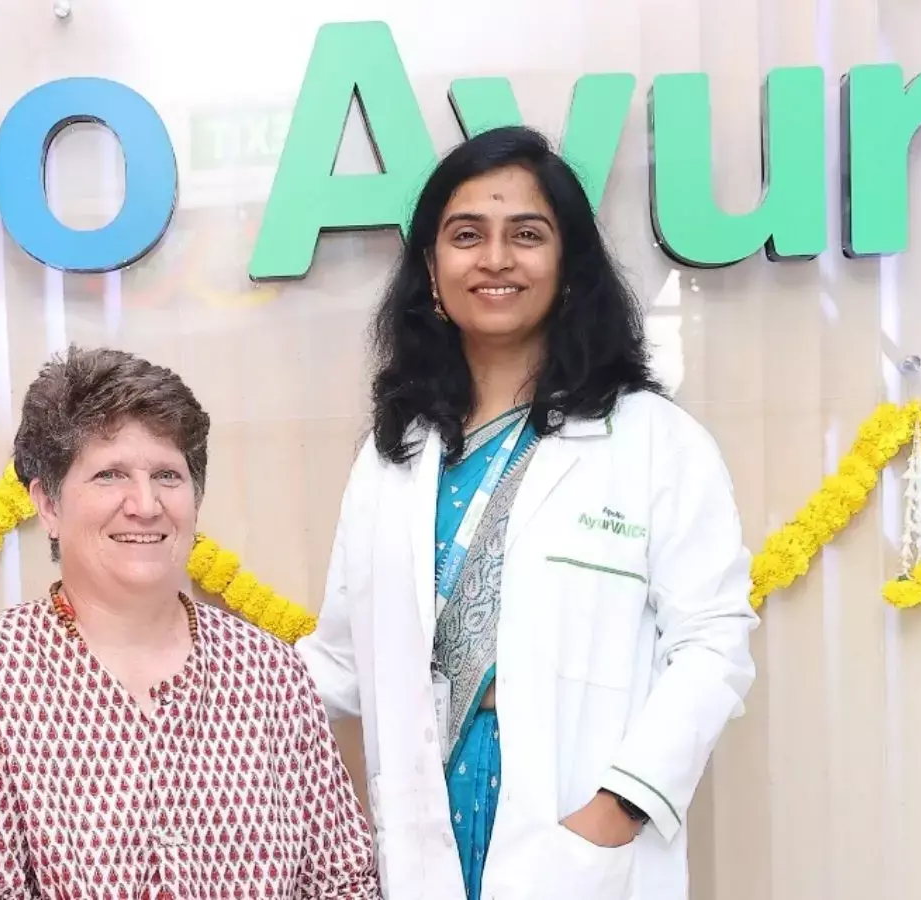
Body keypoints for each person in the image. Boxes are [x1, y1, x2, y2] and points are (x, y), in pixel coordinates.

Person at [294, 125, 759, 900]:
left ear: (569, 267)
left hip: (575, 827)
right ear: (431, 271)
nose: (496, 258)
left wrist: (619, 808)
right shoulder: (392, 455)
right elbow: (342, 660)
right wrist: (179, 681)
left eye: (527, 235)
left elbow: (713, 643)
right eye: (466, 235)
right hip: (426, 815)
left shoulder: (654, 440)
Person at [0, 346, 380, 899]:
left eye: (167, 475)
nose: (145, 503)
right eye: (109, 475)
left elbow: (344, 883)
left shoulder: (270, 671)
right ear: (48, 505)